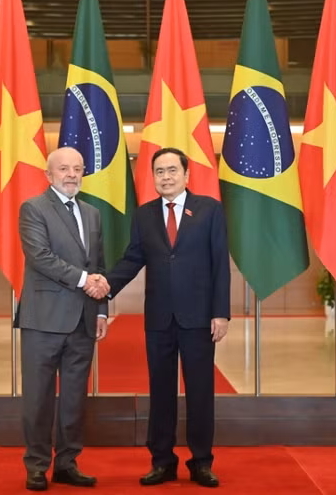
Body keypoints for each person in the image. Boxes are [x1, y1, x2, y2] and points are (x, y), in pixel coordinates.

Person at [106, 147, 230, 488]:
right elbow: (132, 259)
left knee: (200, 392)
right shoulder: (143, 215)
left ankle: (201, 462)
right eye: (159, 171)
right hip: (159, 318)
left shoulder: (209, 210)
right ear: (153, 177)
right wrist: (105, 286)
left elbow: (220, 263)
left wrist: (220, 312)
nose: (166, 177)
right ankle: (162, 462)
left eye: (172, 170)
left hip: (199, 318)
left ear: (186, 174)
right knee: (160, 392)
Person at [17, 146, 110, 491]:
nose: (71, 175)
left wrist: (102, 309)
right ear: (48, 174)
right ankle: (37, 465)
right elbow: (40, 256)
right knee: (38, 398)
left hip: (84, 320)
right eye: (64, 169)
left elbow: (98, 263)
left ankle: (68, 463)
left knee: (74, 398)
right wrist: (86, 281)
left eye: (77, 169)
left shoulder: (93, 213)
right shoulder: (33, 208)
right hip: (43, 321)